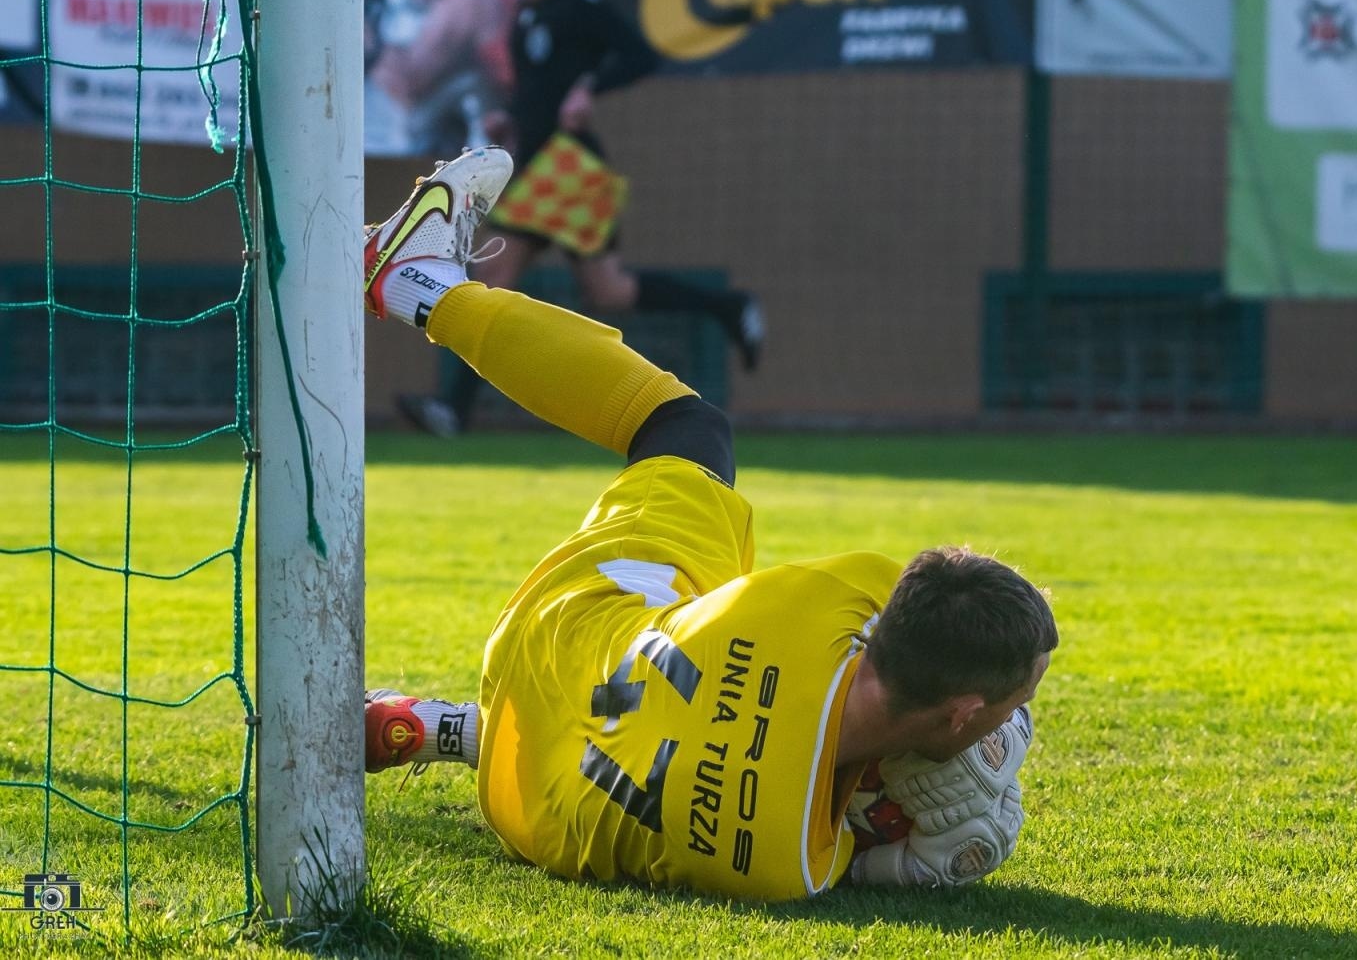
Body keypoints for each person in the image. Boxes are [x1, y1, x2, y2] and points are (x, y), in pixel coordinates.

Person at [361, 148, 1057, 899]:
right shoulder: (788, 861)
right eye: (1017, 708)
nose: (1015, 724)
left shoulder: (831, 600)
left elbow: (910, 624)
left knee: (684, 427)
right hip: (526, 803)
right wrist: (913, 818)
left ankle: (423, 285)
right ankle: (451, 728)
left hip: (556, 631)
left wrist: (964, 721)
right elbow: (868, 839)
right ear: (962, 714)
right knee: (641, 754)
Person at [396, 0, 765, 440]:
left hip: (570, 168)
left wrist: (589, 87)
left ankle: (453, 409)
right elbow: (535, 94)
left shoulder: (582, 4)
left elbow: (640, 54)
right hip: (542, 169)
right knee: (583, 289)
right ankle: (728, 307)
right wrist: (510, 118)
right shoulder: (525, 14)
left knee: (553, 287)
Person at [367, 0, 519, 154]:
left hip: (511, 121)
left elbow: (409, 79)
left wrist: (368, 44)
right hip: (502, 121)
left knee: (419, 121)